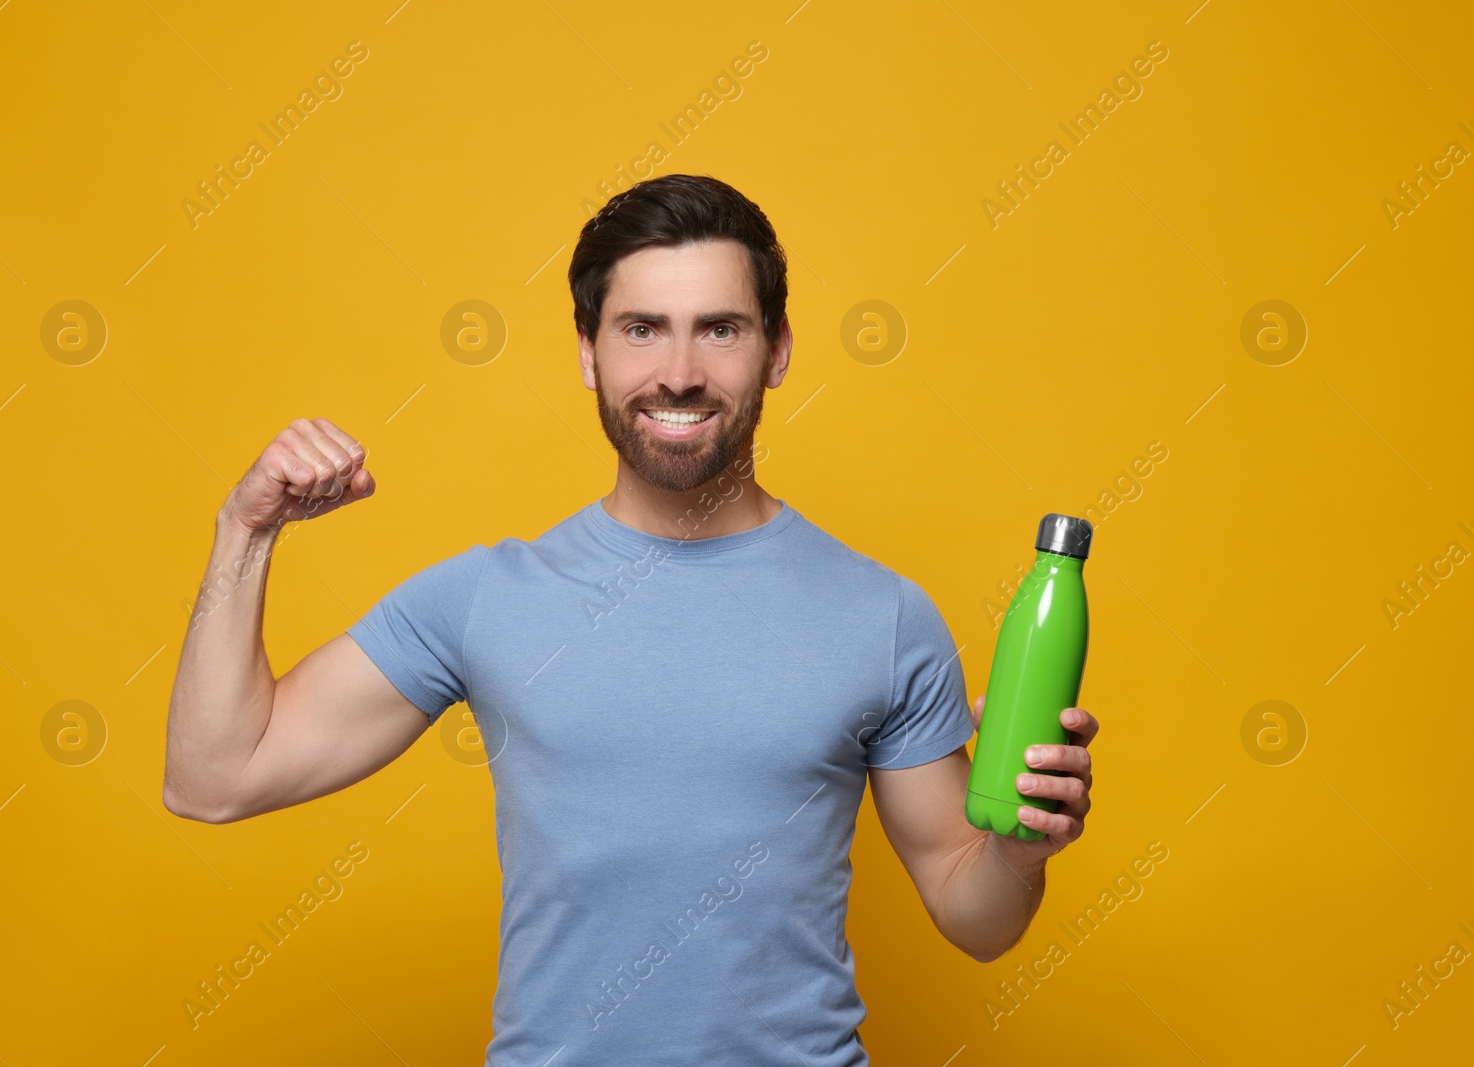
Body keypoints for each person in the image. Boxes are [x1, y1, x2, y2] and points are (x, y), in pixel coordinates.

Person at [162, 173, 1098, 1065]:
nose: (679, 373)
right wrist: (245, 531)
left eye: (719, 329)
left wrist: (1019, 850)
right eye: (642, 329)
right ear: (588, 350)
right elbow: (213, 777)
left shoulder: (883, 614)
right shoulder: (486, 598)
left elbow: (973, 915)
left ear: (777, 349)